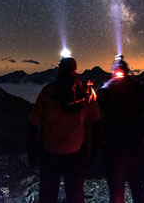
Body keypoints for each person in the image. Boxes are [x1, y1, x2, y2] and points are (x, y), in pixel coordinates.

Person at [27, 57, 101, 203]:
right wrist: (93, 151)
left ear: (60, 68)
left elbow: (34, 122)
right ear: (75, 68)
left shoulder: (48, 92)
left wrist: (32, 150)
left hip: (50, 152)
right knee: (75, 194)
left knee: (48, 194)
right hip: (76, 152)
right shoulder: (88, 92)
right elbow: (94, 123)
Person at [97, 55, 144, 203]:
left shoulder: (105, 90)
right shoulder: (139, 89)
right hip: (135, 145)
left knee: (116, 188)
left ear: (113, 71)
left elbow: (94, 116)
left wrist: (100, 140)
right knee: (137, 184)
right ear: (127, 71)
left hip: (113, 147)